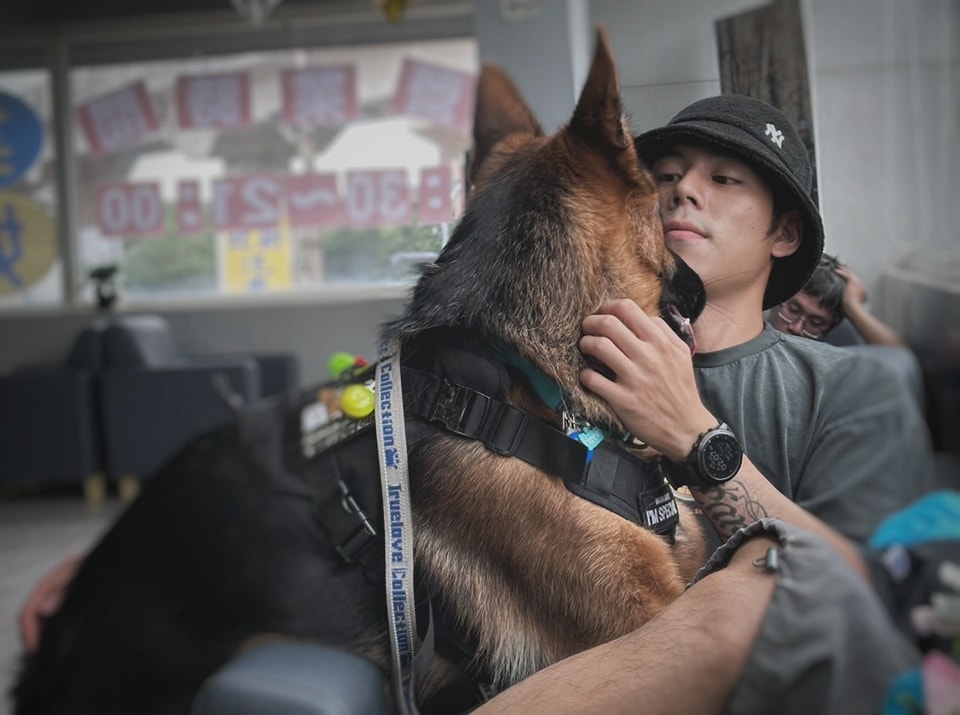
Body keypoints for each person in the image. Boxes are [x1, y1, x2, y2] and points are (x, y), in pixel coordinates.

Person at [18, 96, 942, 713]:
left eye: (724, 179)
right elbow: (381, 447)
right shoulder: (545, 371)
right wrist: (150, 557)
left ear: (785, 232)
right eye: (664, 172)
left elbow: (874, 606)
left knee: (767, 584)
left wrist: (697, 438)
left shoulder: (853, 384)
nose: (681, 190)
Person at [768, 252, 907, 346]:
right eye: (793, 310)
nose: (796, 328)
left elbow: (898, 357)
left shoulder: (835, 343)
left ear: (831, 328)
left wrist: (853, 306)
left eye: (815, 323)